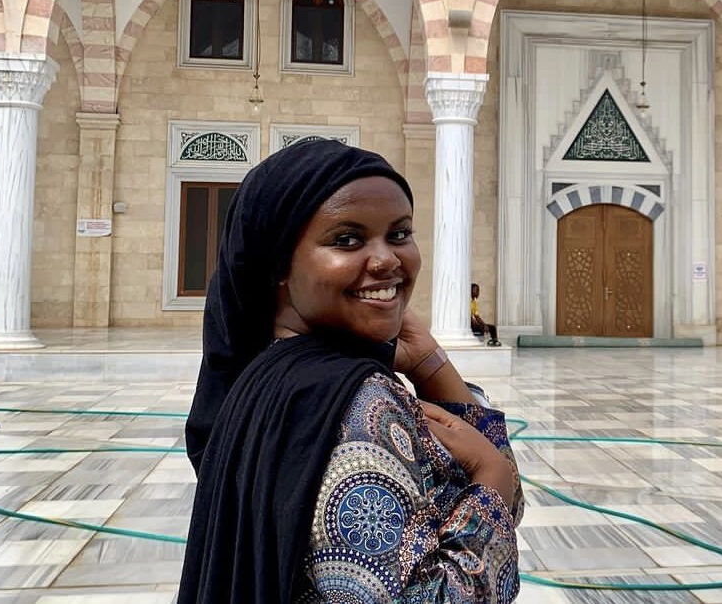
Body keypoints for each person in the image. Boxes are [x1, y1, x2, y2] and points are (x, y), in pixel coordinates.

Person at [178, 139, 522, 604]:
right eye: (347, 240)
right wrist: (492, 480)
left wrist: (429, 364)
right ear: (278, 266)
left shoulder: (266, 382)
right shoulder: (357, 405)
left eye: (399, 233)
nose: (387, 260)